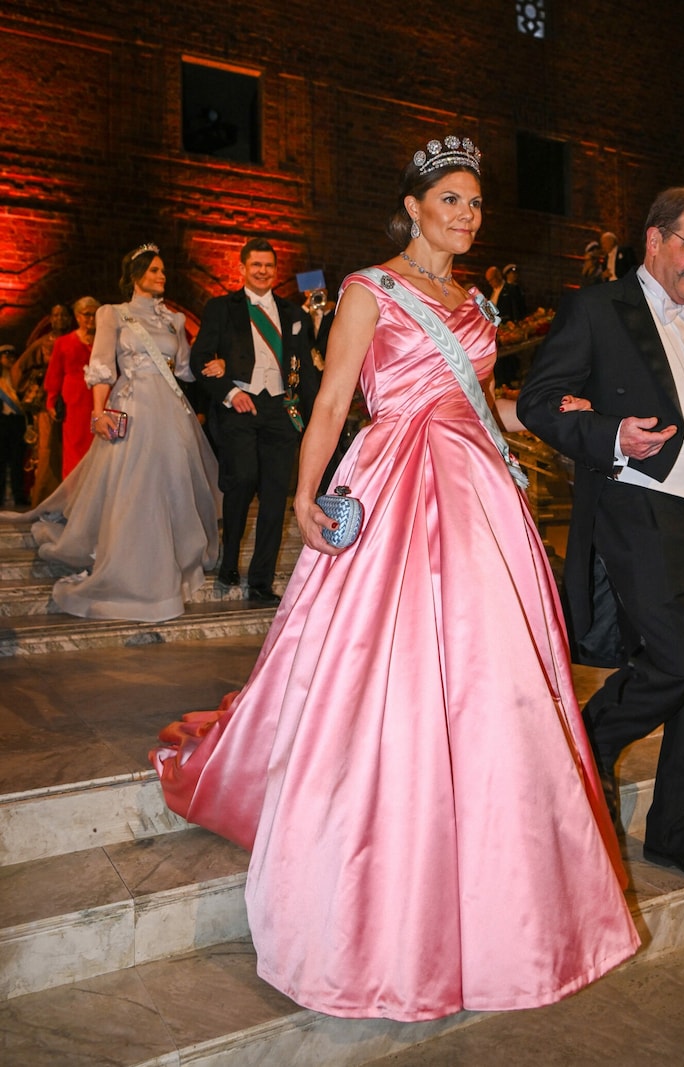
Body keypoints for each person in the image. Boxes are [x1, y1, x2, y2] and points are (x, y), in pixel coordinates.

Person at [150, 135, 639, 1022]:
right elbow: (337, 398)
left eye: (475, 202)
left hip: (478, 490)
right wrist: (302, 494)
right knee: (390, 664)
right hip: (396, 484)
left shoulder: (475, 302)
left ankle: (503, 876)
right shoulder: (370, 290)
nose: (466, 214)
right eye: (451, 199)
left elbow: (479, 401)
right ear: (412, 206)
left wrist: (557, 416)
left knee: (496, 677)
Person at [517, 186, 684, 896]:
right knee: (678, 661)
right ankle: (589, 739)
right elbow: (537, 400)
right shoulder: (597, 309)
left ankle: (677, 831)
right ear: (654, 239)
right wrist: (610, 435)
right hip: (641, 511)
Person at [6, 244, 222, 622]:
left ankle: (173, 557)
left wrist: (216, 364)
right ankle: (132, 563)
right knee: (137, 486)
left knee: (171, 482)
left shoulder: (172, 319)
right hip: (133, 406)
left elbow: (186, 370)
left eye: (162, 270)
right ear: (136, 274)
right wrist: (98, 412)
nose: (162, 276)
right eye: (154, 270)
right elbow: (102, 365)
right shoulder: (113, 314)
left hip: (170, 410)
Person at [189, 237, 320, 604]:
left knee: (276, 498)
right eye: (256, 265)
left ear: (276, 271)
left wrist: (316, 419)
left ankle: (261, 581)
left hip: (280, 412)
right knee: (242, 481)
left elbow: (305, 372)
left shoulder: (294, 315)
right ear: (243, 268)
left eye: (269, 266)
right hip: (240, 408)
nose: (263, 271)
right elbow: (200, 358)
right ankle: (229, 563)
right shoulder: (221, 307)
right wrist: (230, 392)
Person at [11, 302, 72, 504]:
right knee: (48, 449)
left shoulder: (77, 340)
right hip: (50, 403)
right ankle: (46, 498)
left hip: (73, 399)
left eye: (63, 315)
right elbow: (19, 368)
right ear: (50, 319)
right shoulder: (44, 343)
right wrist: (31, 386)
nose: (60, 319)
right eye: (55, 315)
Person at [43, 296, 100, 477]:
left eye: (95, 315)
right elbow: (54, 373)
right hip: (74, 403)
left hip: (102, 399)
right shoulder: (63, 342)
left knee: (102, 444)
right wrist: (51, 400)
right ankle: (74, 496)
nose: (91, 319)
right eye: (87, 315)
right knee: (75, 446)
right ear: (77, 317)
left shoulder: (105, 341)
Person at [0, 344, 28, 506]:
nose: (9, 359)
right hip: (2, 422)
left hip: (17, 422)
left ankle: (19, 495)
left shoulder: (21, 378)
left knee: (18, 461)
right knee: (1, 461)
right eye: (5, 355)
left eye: (12, 356)